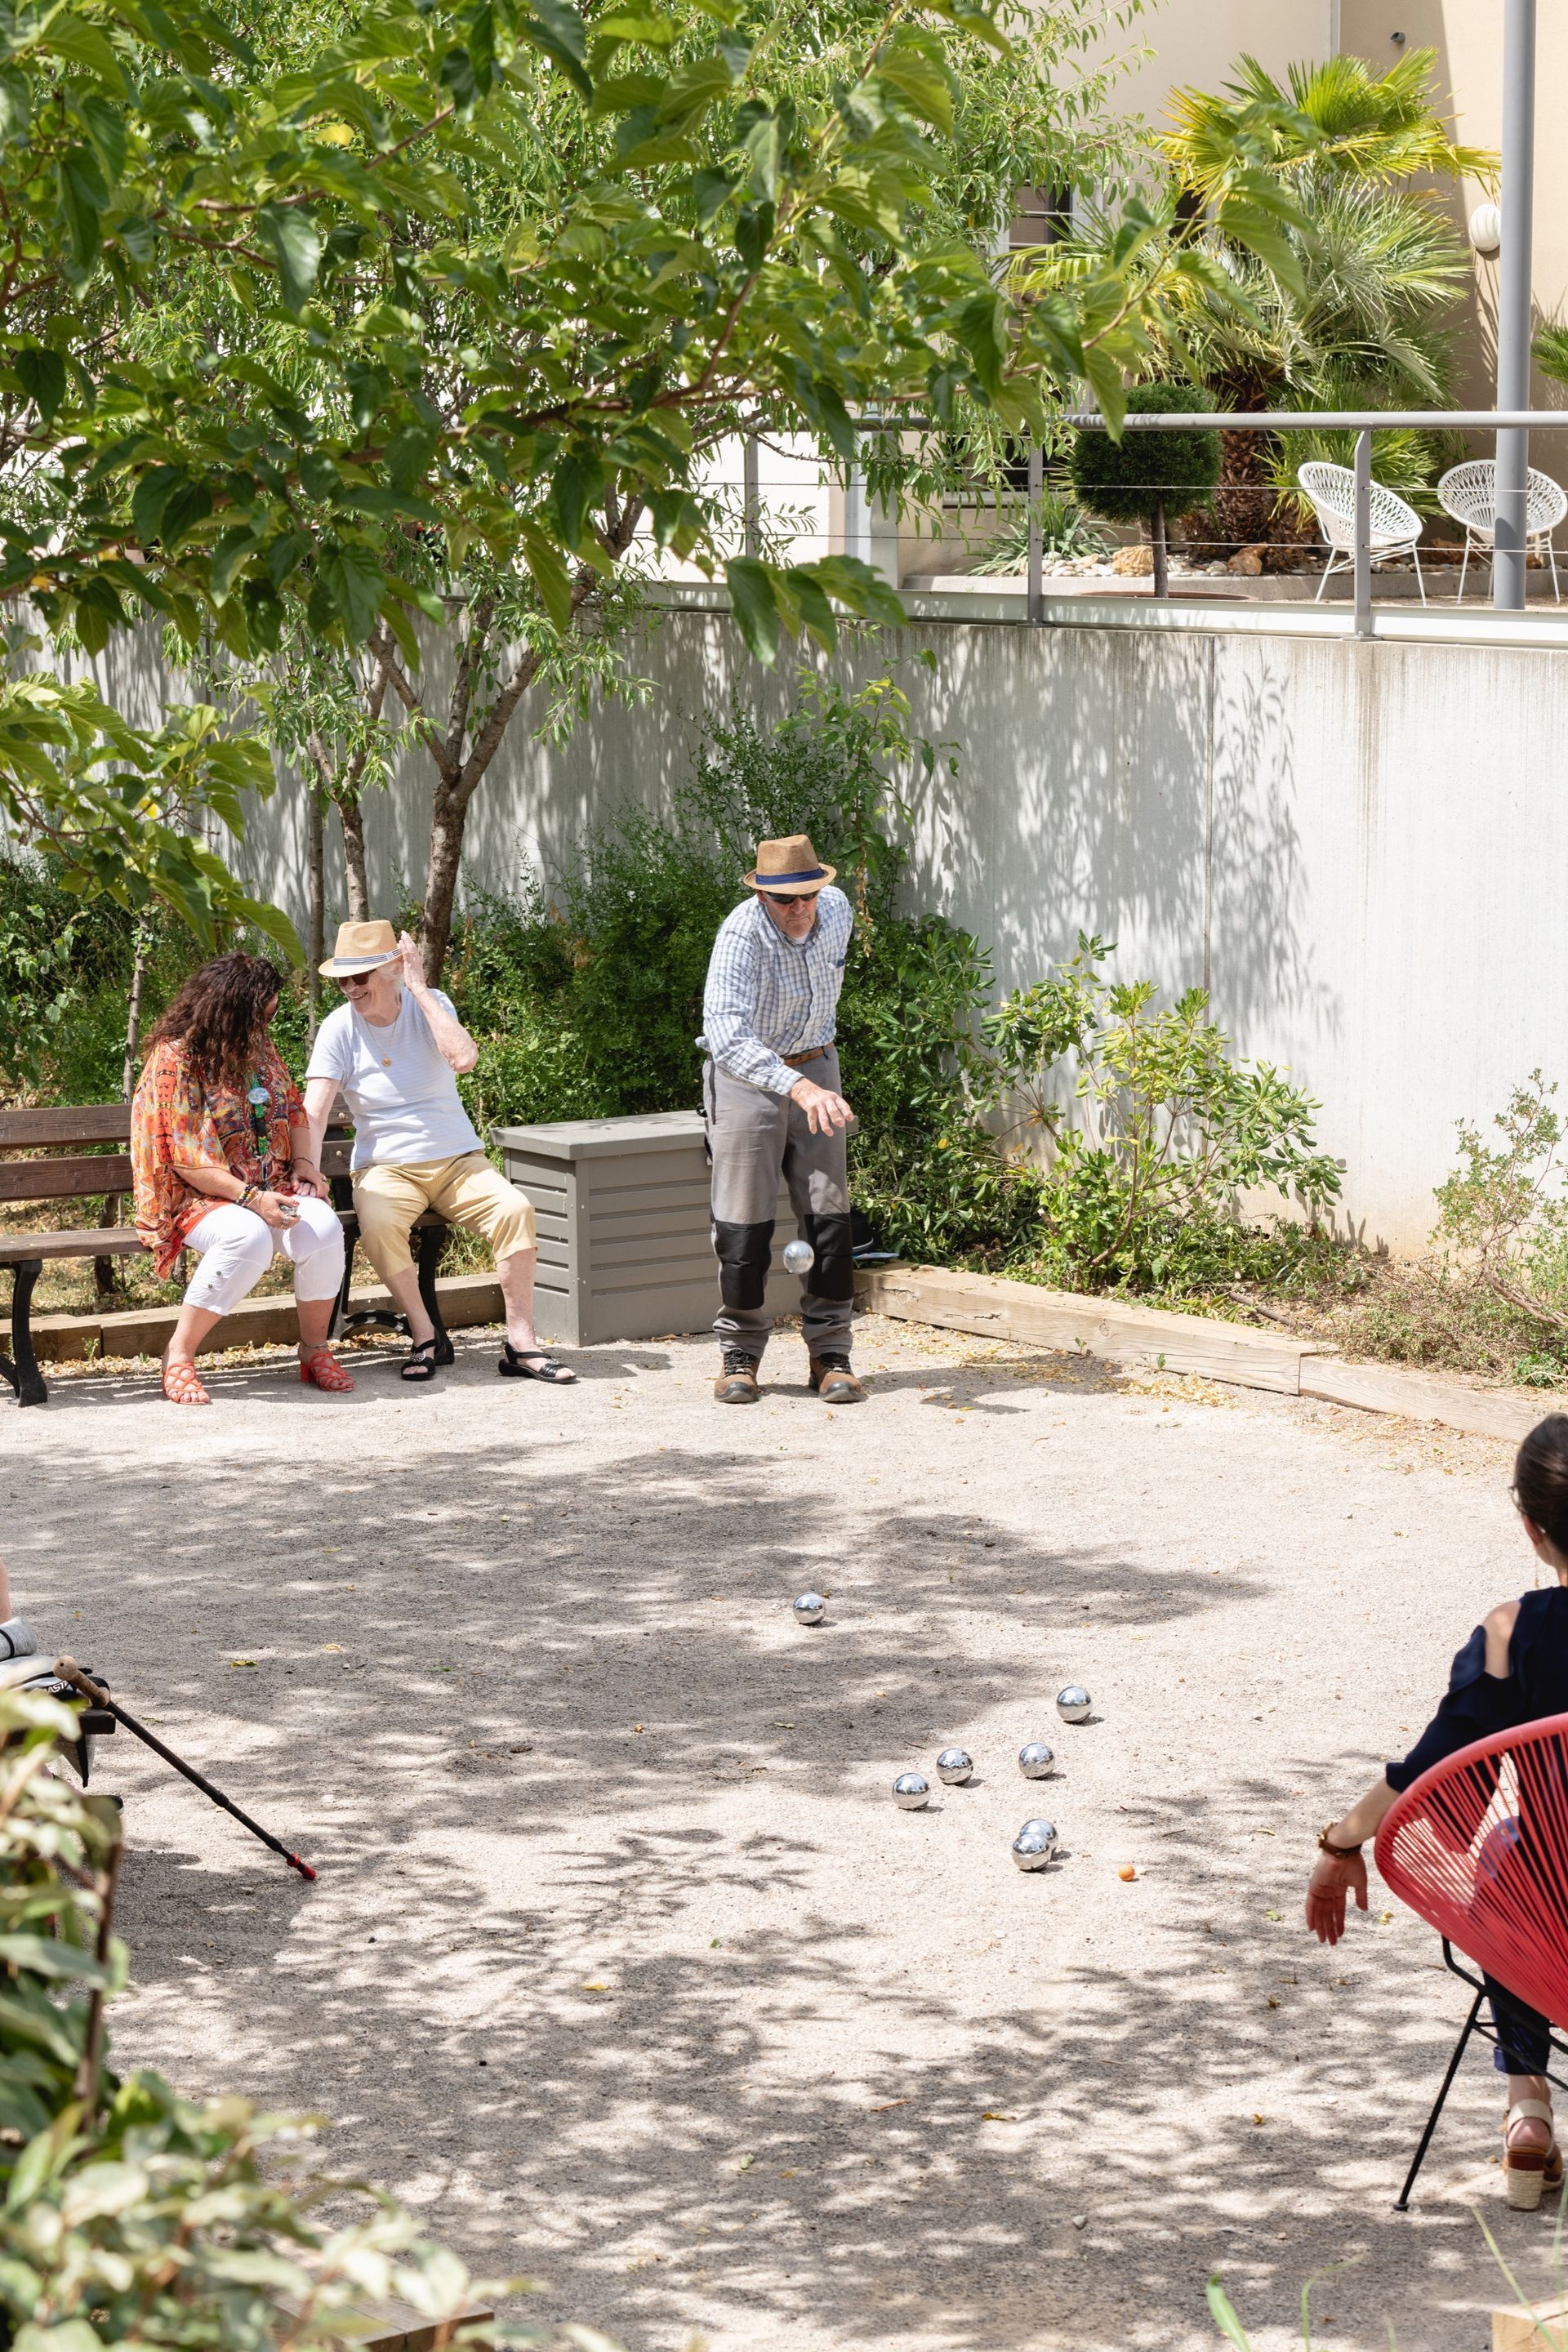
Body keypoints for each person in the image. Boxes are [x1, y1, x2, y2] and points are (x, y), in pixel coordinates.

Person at [1306, 1412, 1568, 2210]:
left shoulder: (1512, 1633)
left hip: (1556, 1937)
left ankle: (1527, 2106)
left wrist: (1340, 1844)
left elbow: (1434, 1776)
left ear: (1531, 1528)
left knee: (1514, 1860)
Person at [301, 920, 574, 1386]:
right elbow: (315, 1110)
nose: (350, 988)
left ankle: (521, 1344)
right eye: (342, 979)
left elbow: (464, 1059)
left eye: (359, 977)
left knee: (515, 1210)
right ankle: (425, 1335)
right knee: (380, 1226)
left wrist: (420, 990)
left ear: (392, 969)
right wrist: (309, 1170)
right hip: (385, 1168)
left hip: (457, 1161)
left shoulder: (432, 1004)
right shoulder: (338, 1028)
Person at [131, 953, 350, 1406]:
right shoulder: (175, 1058)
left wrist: (305, 1164)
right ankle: (179, 1354)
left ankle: (314, 1349)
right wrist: (252, 1198)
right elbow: (184, 1158)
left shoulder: (258, 1047)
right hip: (199, 1197)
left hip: (271, 1188)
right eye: (262, 1013)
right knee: (247, 1236)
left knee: (325, 1228)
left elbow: (293, 1109)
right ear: (232, 1009)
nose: (268, 1022)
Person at [699, 831, 863, 1406]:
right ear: (761, 895)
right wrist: (795, 1086)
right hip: (747, 1079)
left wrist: (811, 1081)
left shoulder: (836, 909)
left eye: (807, 896)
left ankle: (831, 1353)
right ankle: (739, 1354)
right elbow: (726, 1035)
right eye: (784, 899)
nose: (799, 909)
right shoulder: (741, 935)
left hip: (817, 1064)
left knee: (829, 1215)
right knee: (742, 1223)